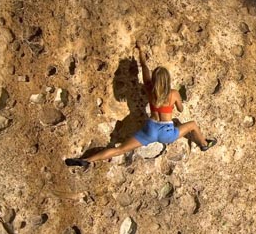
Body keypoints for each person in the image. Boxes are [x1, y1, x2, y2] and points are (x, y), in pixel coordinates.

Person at [65, 42, 216, 166]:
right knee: (193, 125)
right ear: (167, 80)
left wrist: (141, 52)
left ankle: (86, 160)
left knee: (120, 149)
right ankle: (203, 144)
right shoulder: (174, 93)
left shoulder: (150, 88)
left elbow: (144, 68)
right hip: (167, 133)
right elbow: (181, 109)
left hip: (150, 130)